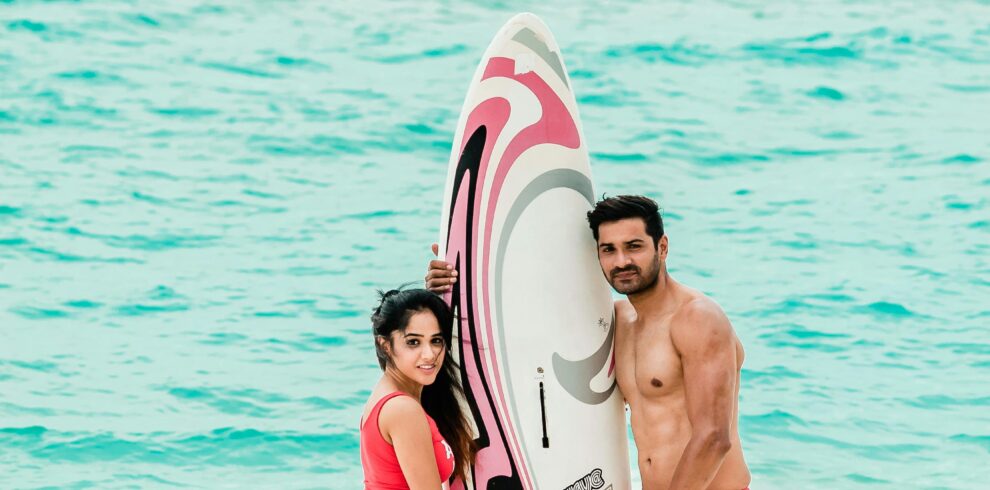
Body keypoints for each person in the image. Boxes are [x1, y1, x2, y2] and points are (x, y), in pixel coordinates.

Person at [426, 195, 751, 490]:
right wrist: (456, 281)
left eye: (634, 246)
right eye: (608, 249)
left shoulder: (697, 320)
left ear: (662, 247)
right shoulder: (617, 321)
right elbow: (527, 329)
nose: (621, 261)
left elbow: (713, 438)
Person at [360, 288, 477, 490]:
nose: (429, 354)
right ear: (385, 345)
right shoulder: (403, 409)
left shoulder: (392, 396)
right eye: (413, 342)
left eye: (436, 340)